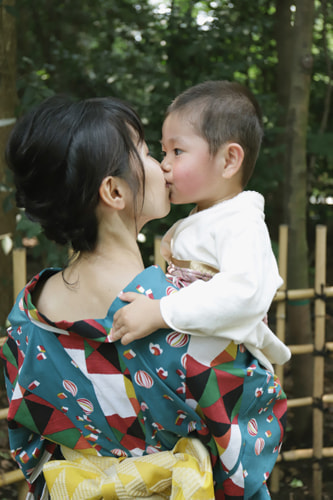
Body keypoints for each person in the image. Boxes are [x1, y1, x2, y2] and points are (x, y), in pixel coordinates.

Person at [0, 94, 287, 500]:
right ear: (115, 191)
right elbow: (251, 443)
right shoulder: (181, 317)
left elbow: (32, 448)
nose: (163, 166)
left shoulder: (24, 323)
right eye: (147, 152)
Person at [112, 80, 291, 374]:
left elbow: (242, 294)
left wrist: (160, 311)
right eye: (163, 151)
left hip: (229, 376)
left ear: (229, 160)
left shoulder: (242, 222)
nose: (163, 164)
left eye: (177, 151)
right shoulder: (207, 218)